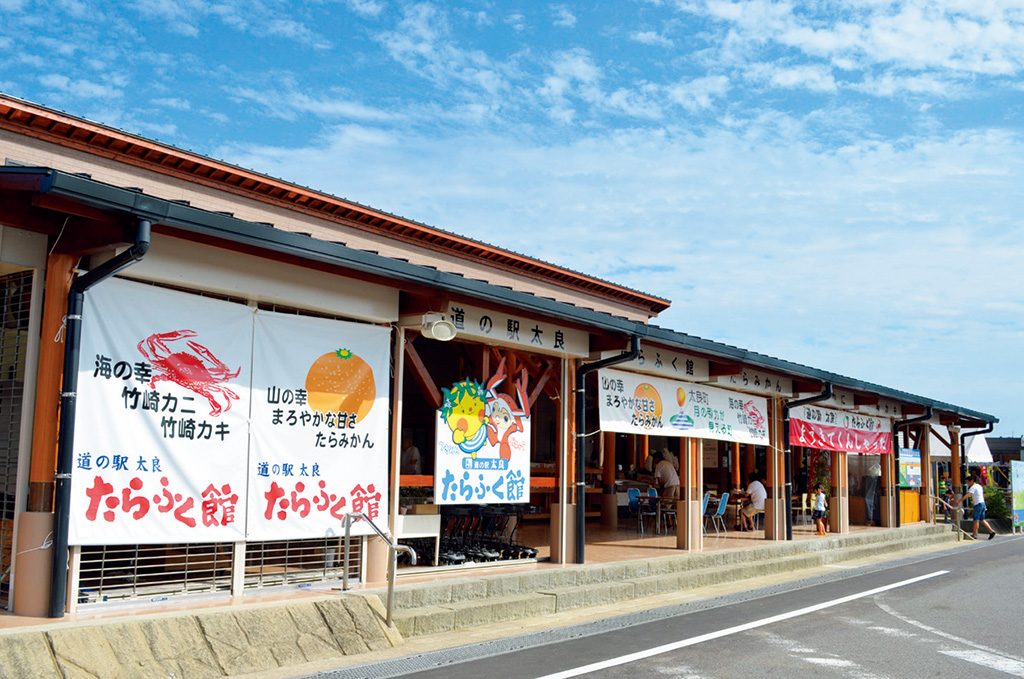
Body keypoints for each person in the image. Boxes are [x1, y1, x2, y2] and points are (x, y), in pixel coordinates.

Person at [958, 474, 996, 540]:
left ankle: (974, 534)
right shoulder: (979, 486)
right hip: (982, 503)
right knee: (982, 520)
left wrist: (960, 501)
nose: (967, 483)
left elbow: (968, 495)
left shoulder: (973, 487)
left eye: (968, 482)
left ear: (972, 481)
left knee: (976, 520)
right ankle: (991, 531)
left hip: (978, 504)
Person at [863, 460, 881, 526]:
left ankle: (870, 519)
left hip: (873, 494)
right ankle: (871, 519)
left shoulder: (871, 475)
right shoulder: (874, 474)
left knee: (870, 503)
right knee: (870, 503)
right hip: (873, 494)